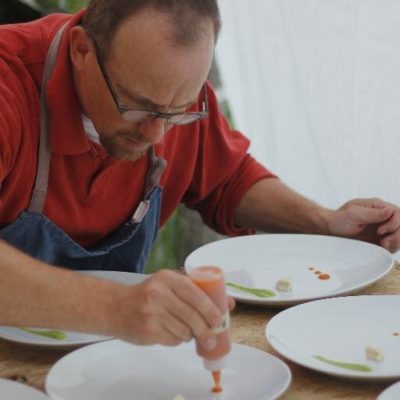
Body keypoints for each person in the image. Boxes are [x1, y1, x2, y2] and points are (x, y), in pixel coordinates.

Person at [0, 0, 398, 349]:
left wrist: (323, 223)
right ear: (82, 50)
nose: (157, 133)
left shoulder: (172, 94)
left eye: (179, 111)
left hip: (107, 354)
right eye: (139, 106)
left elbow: (228, 179)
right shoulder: (8, 86)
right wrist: (110, 306)